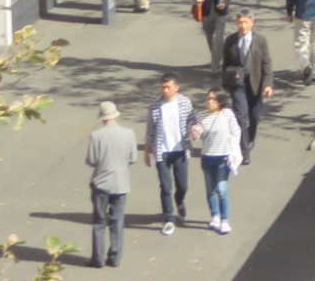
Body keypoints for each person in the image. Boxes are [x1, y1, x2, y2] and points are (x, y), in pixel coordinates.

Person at [87, 100, 135, 267]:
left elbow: (91, 160)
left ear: (102, 117)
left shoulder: (96, 136)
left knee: (99, 221)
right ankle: (115, 257)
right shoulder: (129, 134)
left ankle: (98, 258)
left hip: (101, 183)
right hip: (121, 183)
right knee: (117, 220)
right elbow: (133, 158)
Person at [219, 11, 273, 161]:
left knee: (254, 116)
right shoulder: (230, 40)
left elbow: (266, 62)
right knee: (241, 116)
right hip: (237, 84)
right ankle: (244, 151)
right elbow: (226, 64)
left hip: (255, 83)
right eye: (240, 22)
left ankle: (250, 137)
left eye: (245, 22)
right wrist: (225, 85)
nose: (242, 26)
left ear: (252, 23)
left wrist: (268, 84)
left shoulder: (260, 40)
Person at [142, 75, 192, 235]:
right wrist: (147, 151)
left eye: (168, 87)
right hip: (161, 151)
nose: (164, 90)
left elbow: (192, 121)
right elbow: (150, 130)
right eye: (162, 87)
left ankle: (179, 200)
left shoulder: (184, 102)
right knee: (165, 187)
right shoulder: (155, 105)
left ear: (176, 88)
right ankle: (169, 219)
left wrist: (195, 129)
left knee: (182, 185)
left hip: (180, 151)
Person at [190, 88, 242, 235]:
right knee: (210, 189)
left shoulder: (227, 115)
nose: (210, 102)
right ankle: (215, 216)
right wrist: (194, 133)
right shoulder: (201, 116)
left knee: (222, 189)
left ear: (220, 101)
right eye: (208, 99)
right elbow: (197, 137)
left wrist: (232, 151)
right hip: (207, 157)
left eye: (213, 99)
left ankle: (225, 220)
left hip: (223, 158)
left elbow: (236, 132)